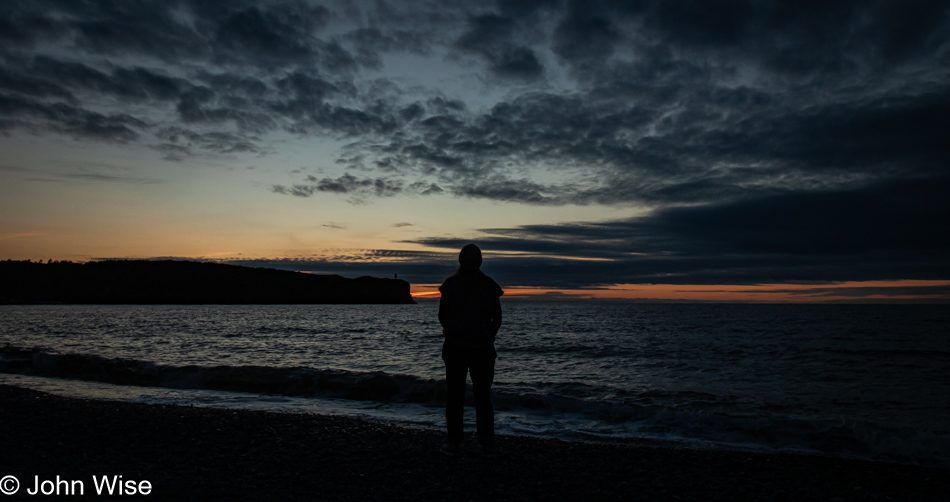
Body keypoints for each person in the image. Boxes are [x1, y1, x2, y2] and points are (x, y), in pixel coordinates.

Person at [438, 244, 504, 456]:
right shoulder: (484, 285)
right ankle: (481, 441)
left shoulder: (461, 284)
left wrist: (483, 334)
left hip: (469, 346)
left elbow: (443, 315)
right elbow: (498, 318)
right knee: (478, 395)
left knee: (460, 395)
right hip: (472, 347)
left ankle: (460, 441)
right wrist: (486, 334)